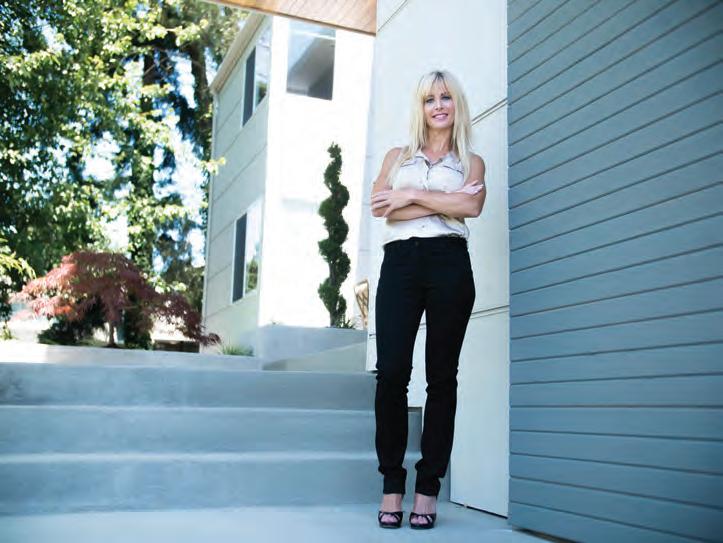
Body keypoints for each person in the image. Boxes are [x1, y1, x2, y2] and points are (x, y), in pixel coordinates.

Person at [370, 69, 486, 530]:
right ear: (419, 107)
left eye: (445, 97)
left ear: (457, 104)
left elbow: (472, 207)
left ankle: (427, 490)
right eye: (429, 99)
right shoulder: (396, 156)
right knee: (392, 372)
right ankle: (391, 484)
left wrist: (411, 194)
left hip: (449, 262)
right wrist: (443, 200)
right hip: (400, 263)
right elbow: (381, 208)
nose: (438, 106)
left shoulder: (472, 162)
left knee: (441, 378)